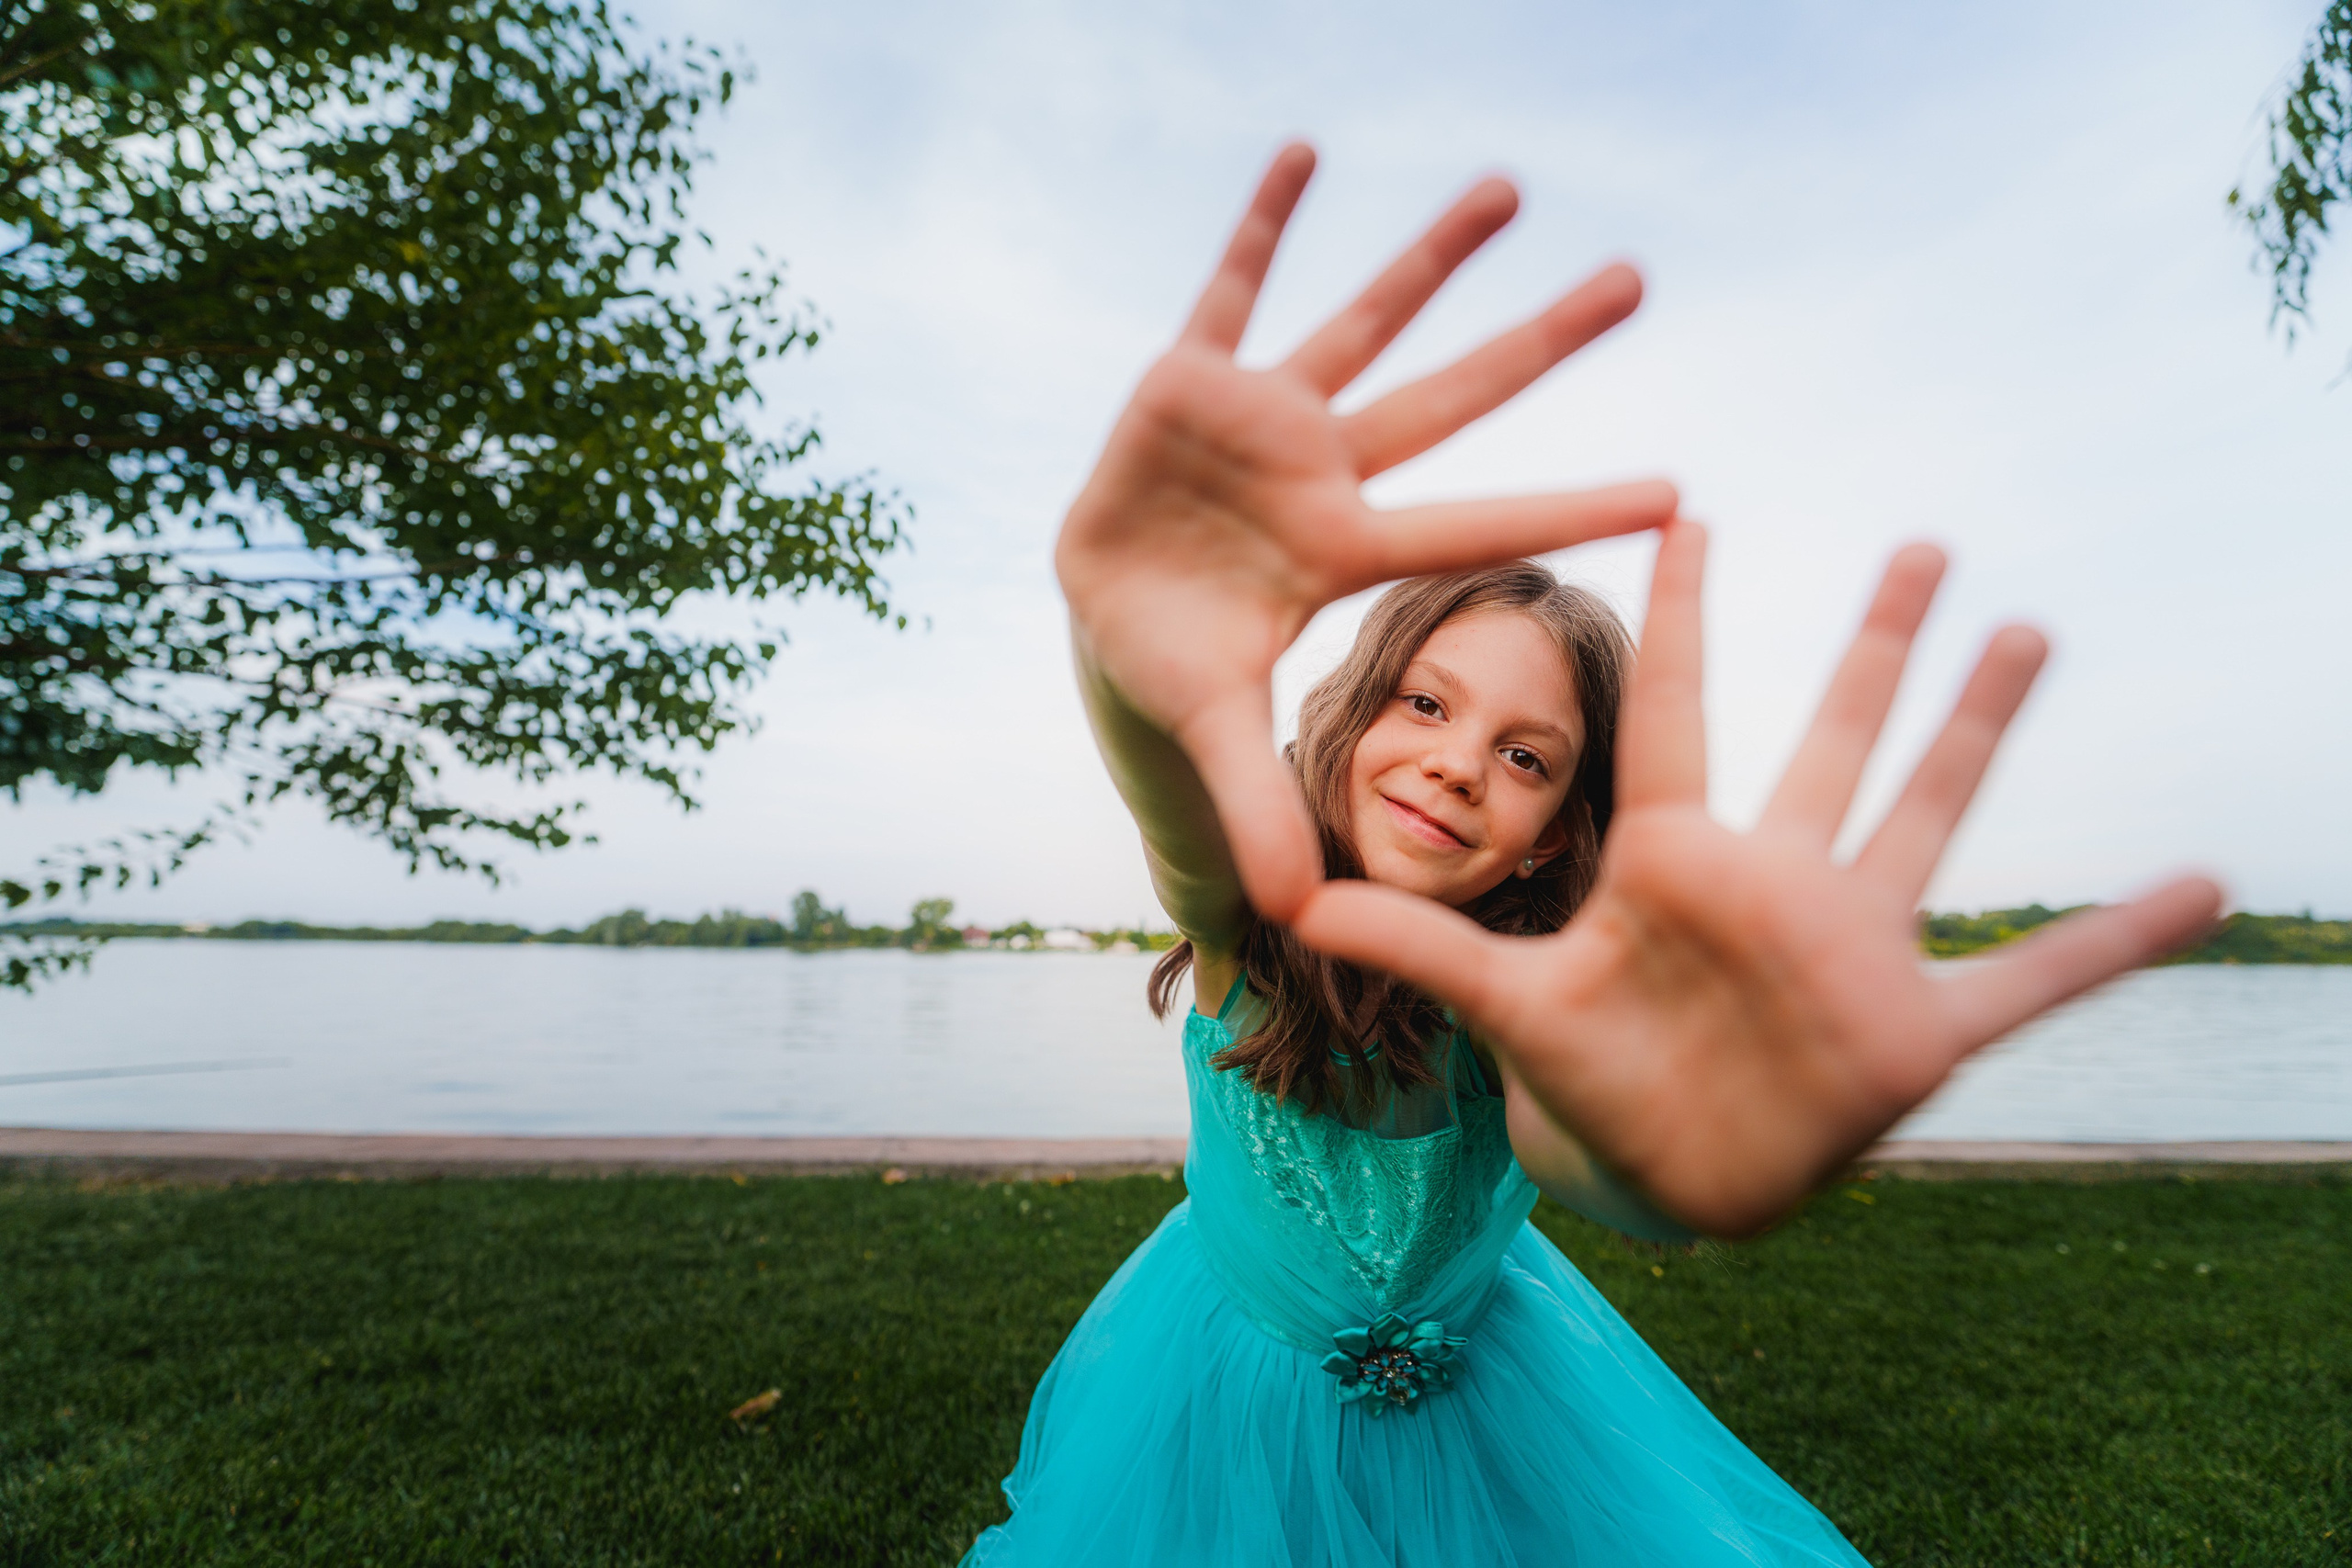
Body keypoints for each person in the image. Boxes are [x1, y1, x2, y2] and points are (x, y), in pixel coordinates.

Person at [962, 144, 2220, 1565]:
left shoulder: (1553, 996)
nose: (1458, 760)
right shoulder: (1244, 918)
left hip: (1502, 1403)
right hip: (1221, 1399)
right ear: (1352, 715)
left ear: (1556, 832)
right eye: (1425, 705)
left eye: (1526, 755)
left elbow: (1581, 1143)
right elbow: (1170, 797)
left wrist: (1660, 1167)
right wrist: (1121, 643)